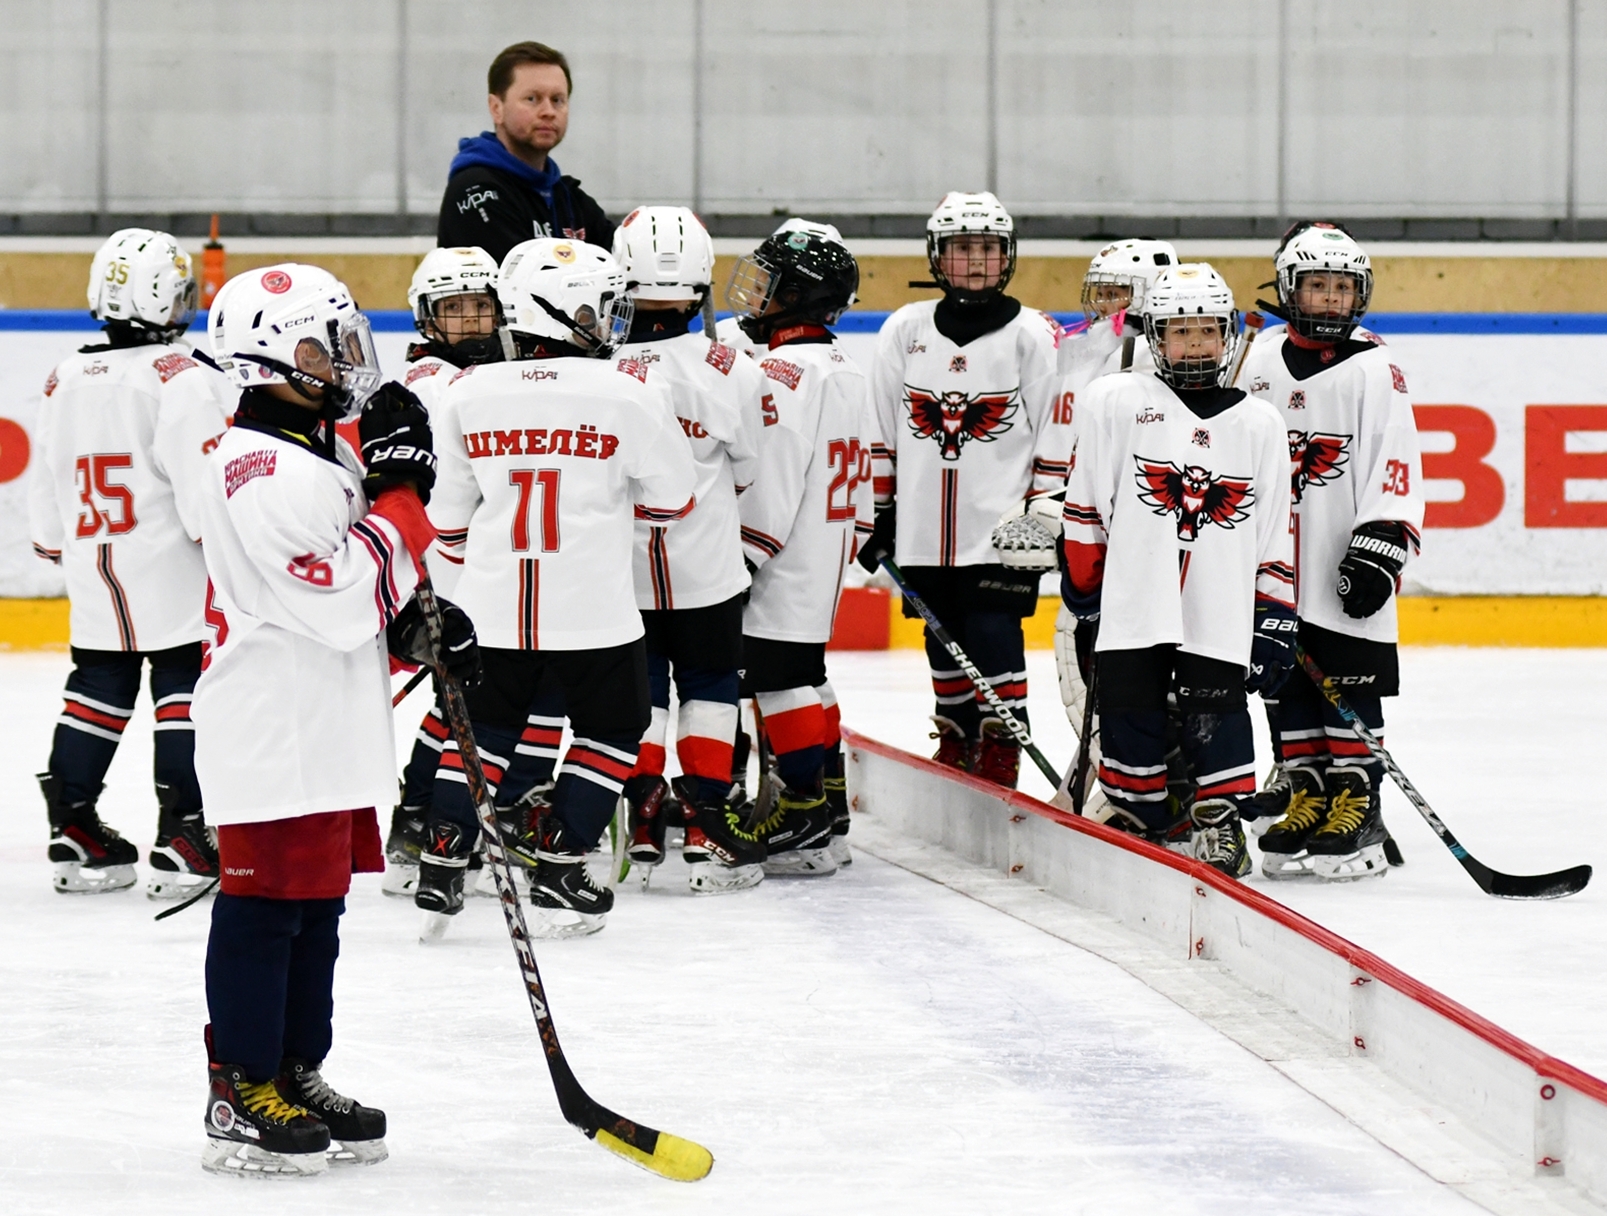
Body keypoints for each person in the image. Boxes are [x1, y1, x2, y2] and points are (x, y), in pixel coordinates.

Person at [194, 262, 479, 1174]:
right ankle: (239, 1086)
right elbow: (334, 592)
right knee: (263, 908)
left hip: (325, 717)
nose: (345, 359)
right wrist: (403, 500)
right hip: (270, 726)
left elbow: (360, 597)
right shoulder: (255, 466)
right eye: (324, 344)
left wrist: (415, 631)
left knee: (316, 906)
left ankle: (293, 1067)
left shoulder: (315, 451)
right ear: (269, 358)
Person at [422, 237, 697, 937]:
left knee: (483, 729)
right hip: (592, 608)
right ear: (567, 310)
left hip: (491, 604)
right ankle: (561, 852)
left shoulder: (465, 391)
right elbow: (673, 501)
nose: (608, 319)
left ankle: (445, 851)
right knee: (613, 727)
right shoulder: (627, 392)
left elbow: (446, 521)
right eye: (599, 307)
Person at [1059, 263, 1295, 878]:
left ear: (1228, 338)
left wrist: (1274, 615)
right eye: (1179, 332)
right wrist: (1085, 582)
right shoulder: (1115, 401)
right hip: (1135, 602)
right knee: (1128, 713)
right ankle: (1141, 817)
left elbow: (1274, 529)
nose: (1194, 344)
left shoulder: (1260, 423)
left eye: (1207, 331)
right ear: (1156, 338)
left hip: (1218, 608)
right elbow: (1086, 501)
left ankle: (1219, 824)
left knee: (1216, 715)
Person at [28, 228, 231, 898]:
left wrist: (53, 538)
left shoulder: (65, 374)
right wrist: (224, 541)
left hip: (96, 561)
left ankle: (74, 826)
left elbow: (49, 475)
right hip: (168, 558)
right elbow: (201, 485)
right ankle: (183, 830)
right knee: (183, 685)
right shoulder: (181, 376)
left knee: (97, 688)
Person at [855, 192, 1066, 789]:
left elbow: (1054, 430)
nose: (975, 261)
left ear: (1008, 257)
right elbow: (882, 427)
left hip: (1003, 532)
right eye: (961, 248)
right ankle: (956, 733)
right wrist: (880, 512)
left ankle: (1002, 743)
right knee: (940, 636)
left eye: (987, 249)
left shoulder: (1033, 336)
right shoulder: (905, 329)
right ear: (937, 256)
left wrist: (1044, 514)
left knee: (993, 633)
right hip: (924, 529)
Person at [1239, 222, 1424, 881]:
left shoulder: (1377, 368)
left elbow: (1394, 464)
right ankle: (1307, 793)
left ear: (1359, 293)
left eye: (1340, 288)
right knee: (1283, 682)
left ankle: (1355, 802)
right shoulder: (1255, 357)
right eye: (1315, 286)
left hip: (1339, 558)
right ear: (1289, 287)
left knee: (1348, 680)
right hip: (1268, 560)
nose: (1328, 300)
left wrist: (1378, 550)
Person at [611, 206, 770, 893]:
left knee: (640, 690)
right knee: (709, 685)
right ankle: (705, 814)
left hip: (621, 569)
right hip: (705, 563)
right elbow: (747, 468)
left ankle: (644, 808)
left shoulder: (600, 366)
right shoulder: (732, 365)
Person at [727, 220, 867, 873]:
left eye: (771, 285)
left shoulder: (783, 373)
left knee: (778, 679)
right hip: (825, 548)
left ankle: (803, 809)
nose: (757, 294)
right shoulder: (841, 363)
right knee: (806, 675)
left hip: (784, 556)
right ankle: (830, 809)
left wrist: (742, 554)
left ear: (800, 297)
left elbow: (772, 477)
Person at [385, 245, 504, 898]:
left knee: (454, 698)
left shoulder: (462, 376)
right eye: (454, 310)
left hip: (464, 561)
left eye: (480, 307)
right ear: (427, 319)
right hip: (445, 565)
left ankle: (417, 821)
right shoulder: (435, 382)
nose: (470, 322)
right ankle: (423, 818)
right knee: (465, 698)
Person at [1051, 238, 1179, 806]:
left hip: (1152, 552)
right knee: (1084, 659)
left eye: (1118, 294)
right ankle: (1112, 772)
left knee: (1140, 676)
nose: (1104, 307)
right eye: (1100, 293)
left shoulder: (1168, 365)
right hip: (1097, 540)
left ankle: (1147, 788)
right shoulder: (1097, 354)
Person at [437, 41, 614, 263]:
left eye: (557, 100)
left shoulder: (569, 198)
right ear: (496, 108)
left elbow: (625, 265)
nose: (548, 112)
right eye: (532, 99)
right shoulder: (475, 191)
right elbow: (524, 283)